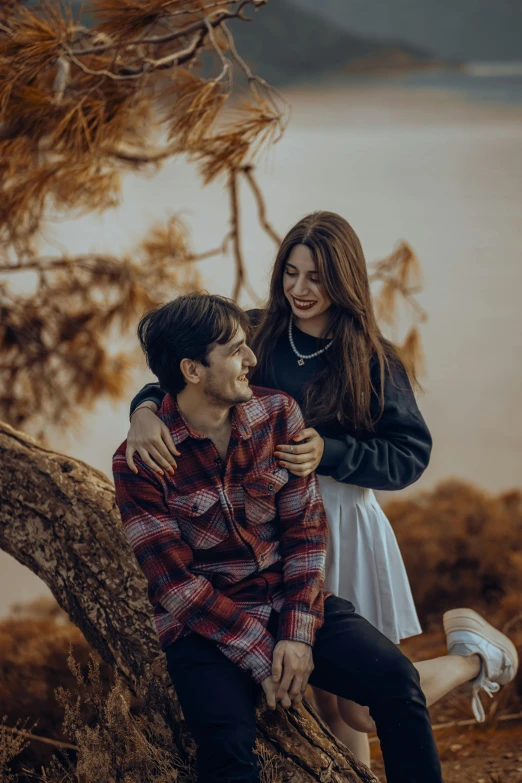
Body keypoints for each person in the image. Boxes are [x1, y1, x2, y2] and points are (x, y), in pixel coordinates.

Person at [124, 213, 517, 765]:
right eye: (291, 272)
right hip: (266, 519)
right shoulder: (257, 330)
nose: (300, 290)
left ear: (344, 279)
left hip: (339, 519)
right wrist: (142, 410)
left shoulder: (372, 358)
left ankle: (475, 659)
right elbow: (183, 368)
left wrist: (330, 453)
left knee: (356, 705)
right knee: (320, 703)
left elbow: (410, 455)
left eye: (316, 277)